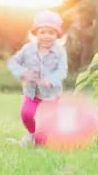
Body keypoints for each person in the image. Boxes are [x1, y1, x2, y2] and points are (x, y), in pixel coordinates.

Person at [8, 10, 68, 146]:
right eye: (42, 32)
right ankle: (32, 134)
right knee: (27, 114)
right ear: (36, 33)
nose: (46, 36)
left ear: (57, 35)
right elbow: (13, 62)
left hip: (51, 94)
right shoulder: (28, 49)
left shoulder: (59, 52)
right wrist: (24, 73)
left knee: (46, 121)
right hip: (32, 92)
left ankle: (40, 145)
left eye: (51, 33)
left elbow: (62, 70)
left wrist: (51, 80)